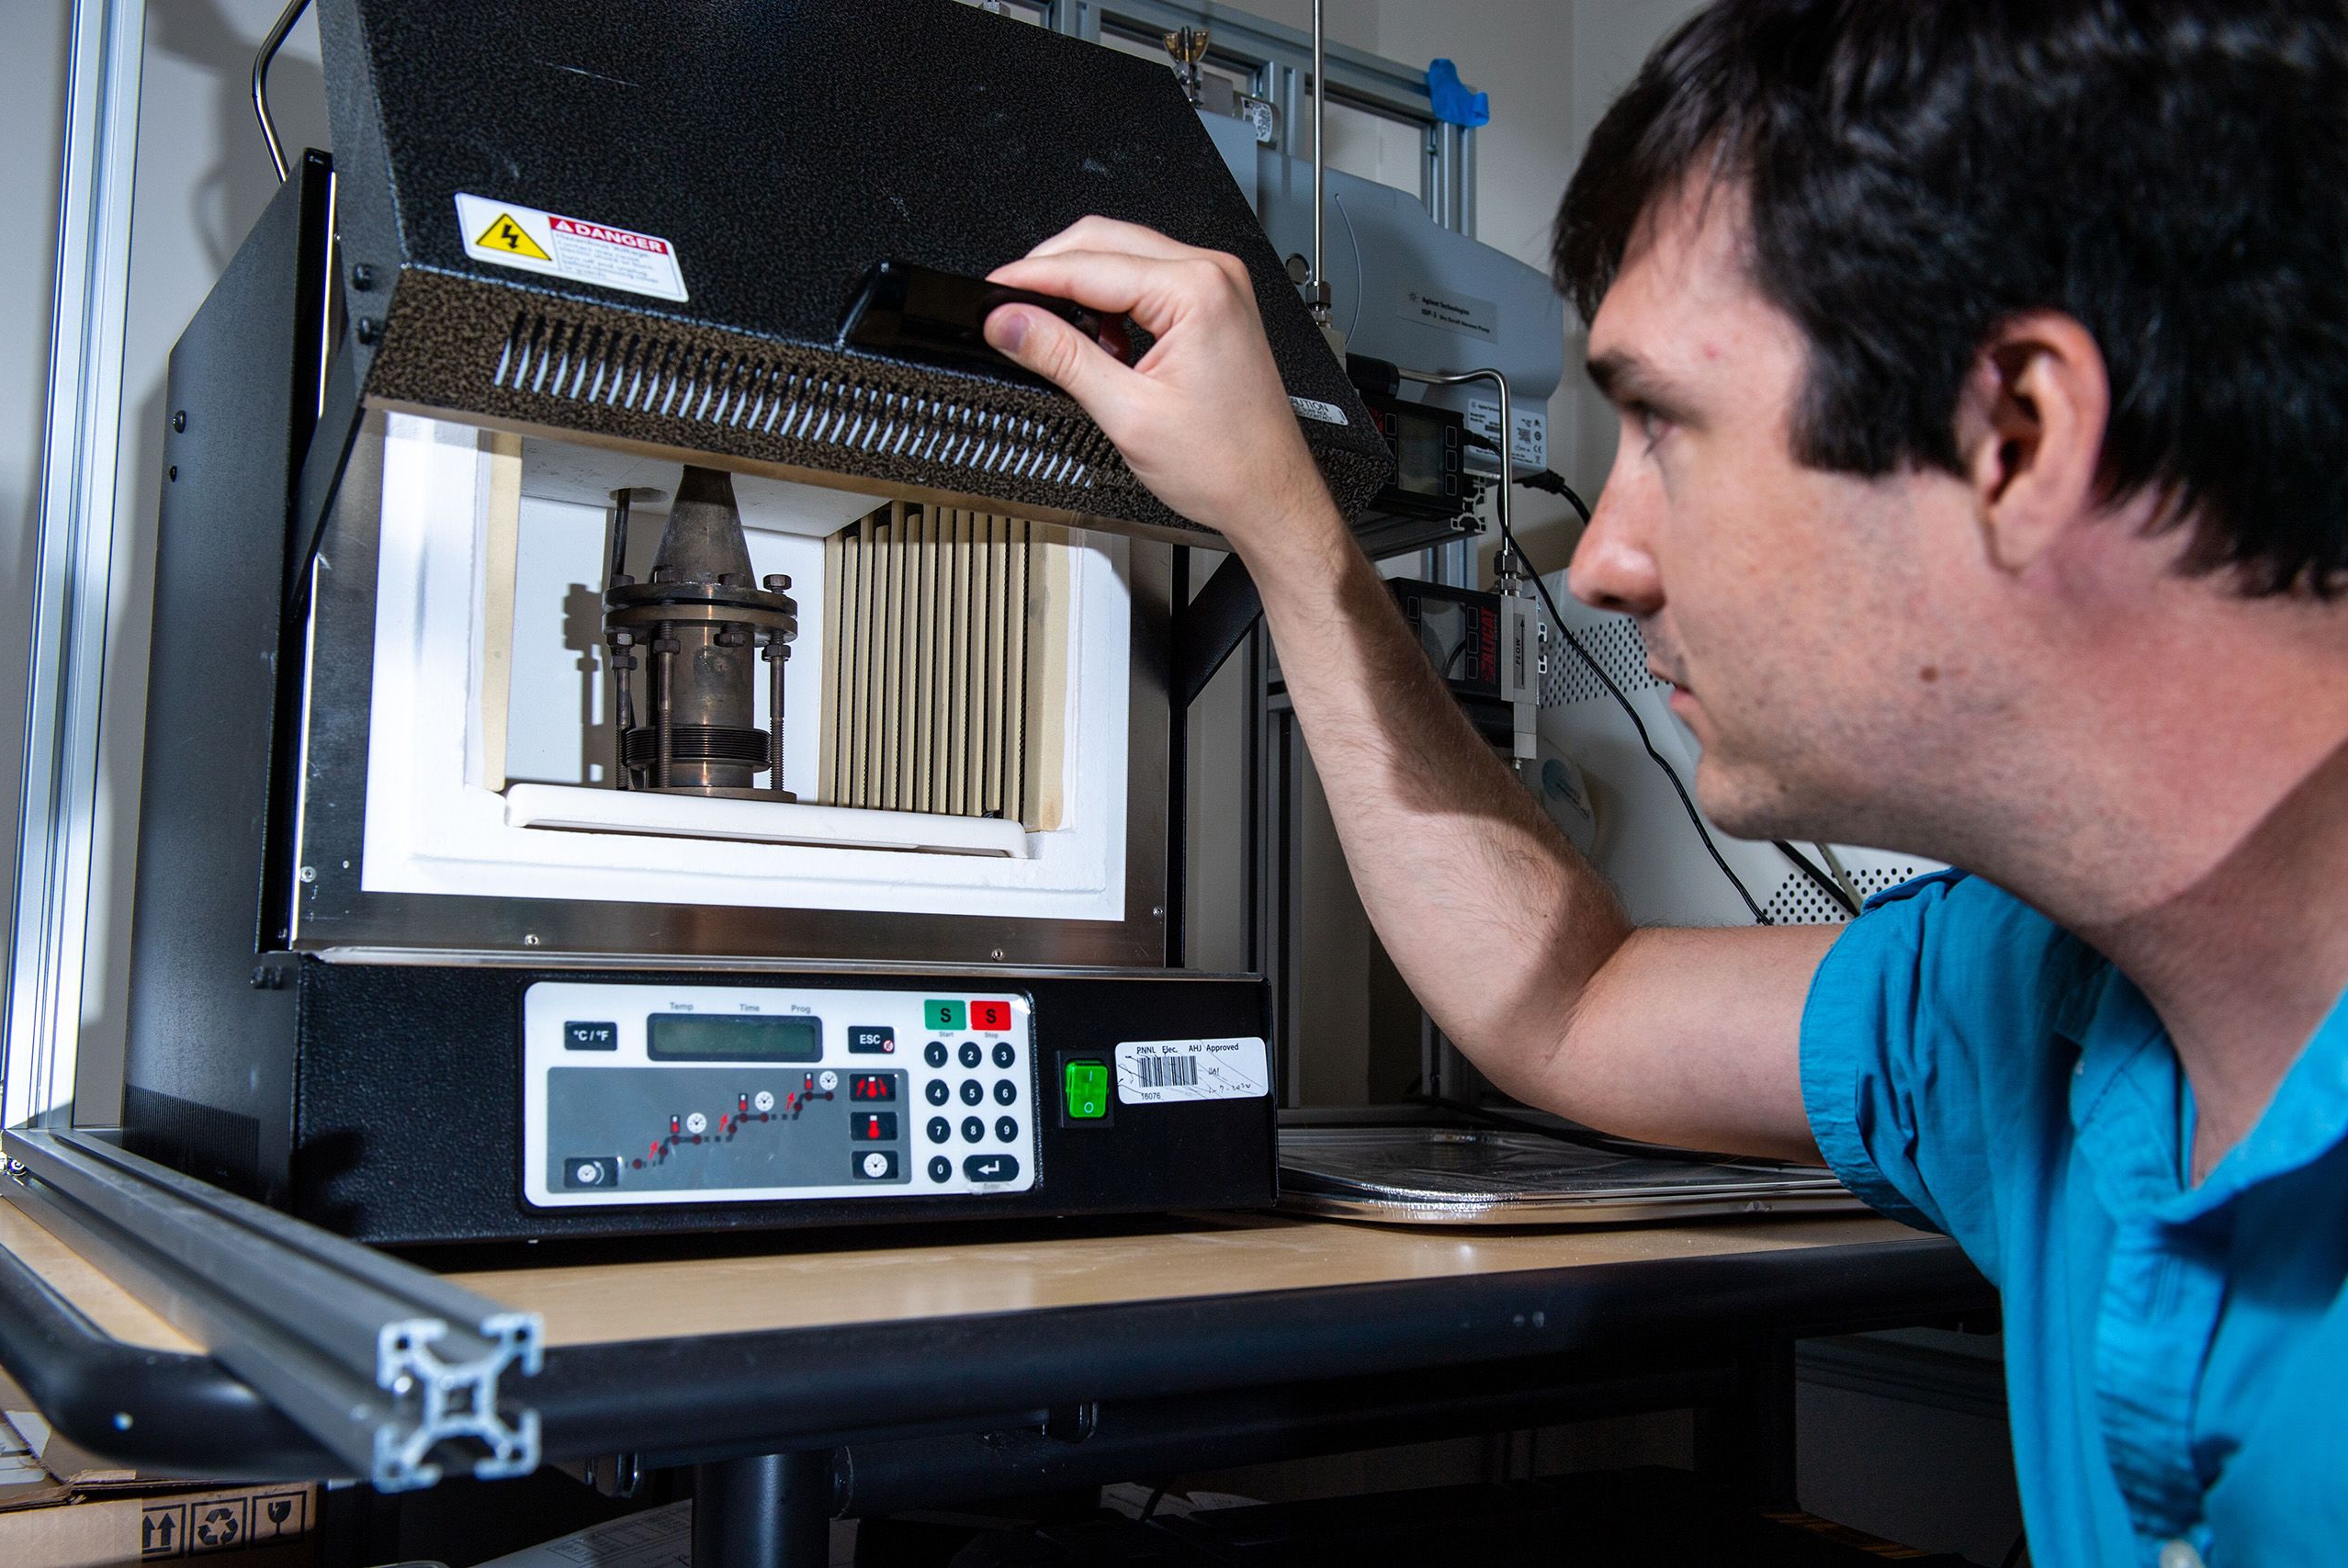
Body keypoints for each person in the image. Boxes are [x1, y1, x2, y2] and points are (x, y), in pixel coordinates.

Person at [976, 1, 2348, 1562]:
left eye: (1667, 430)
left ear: (2018, 436)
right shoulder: (2016, 1000)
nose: (1607, 562)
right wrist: (1292, 523)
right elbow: (1573, 1001)